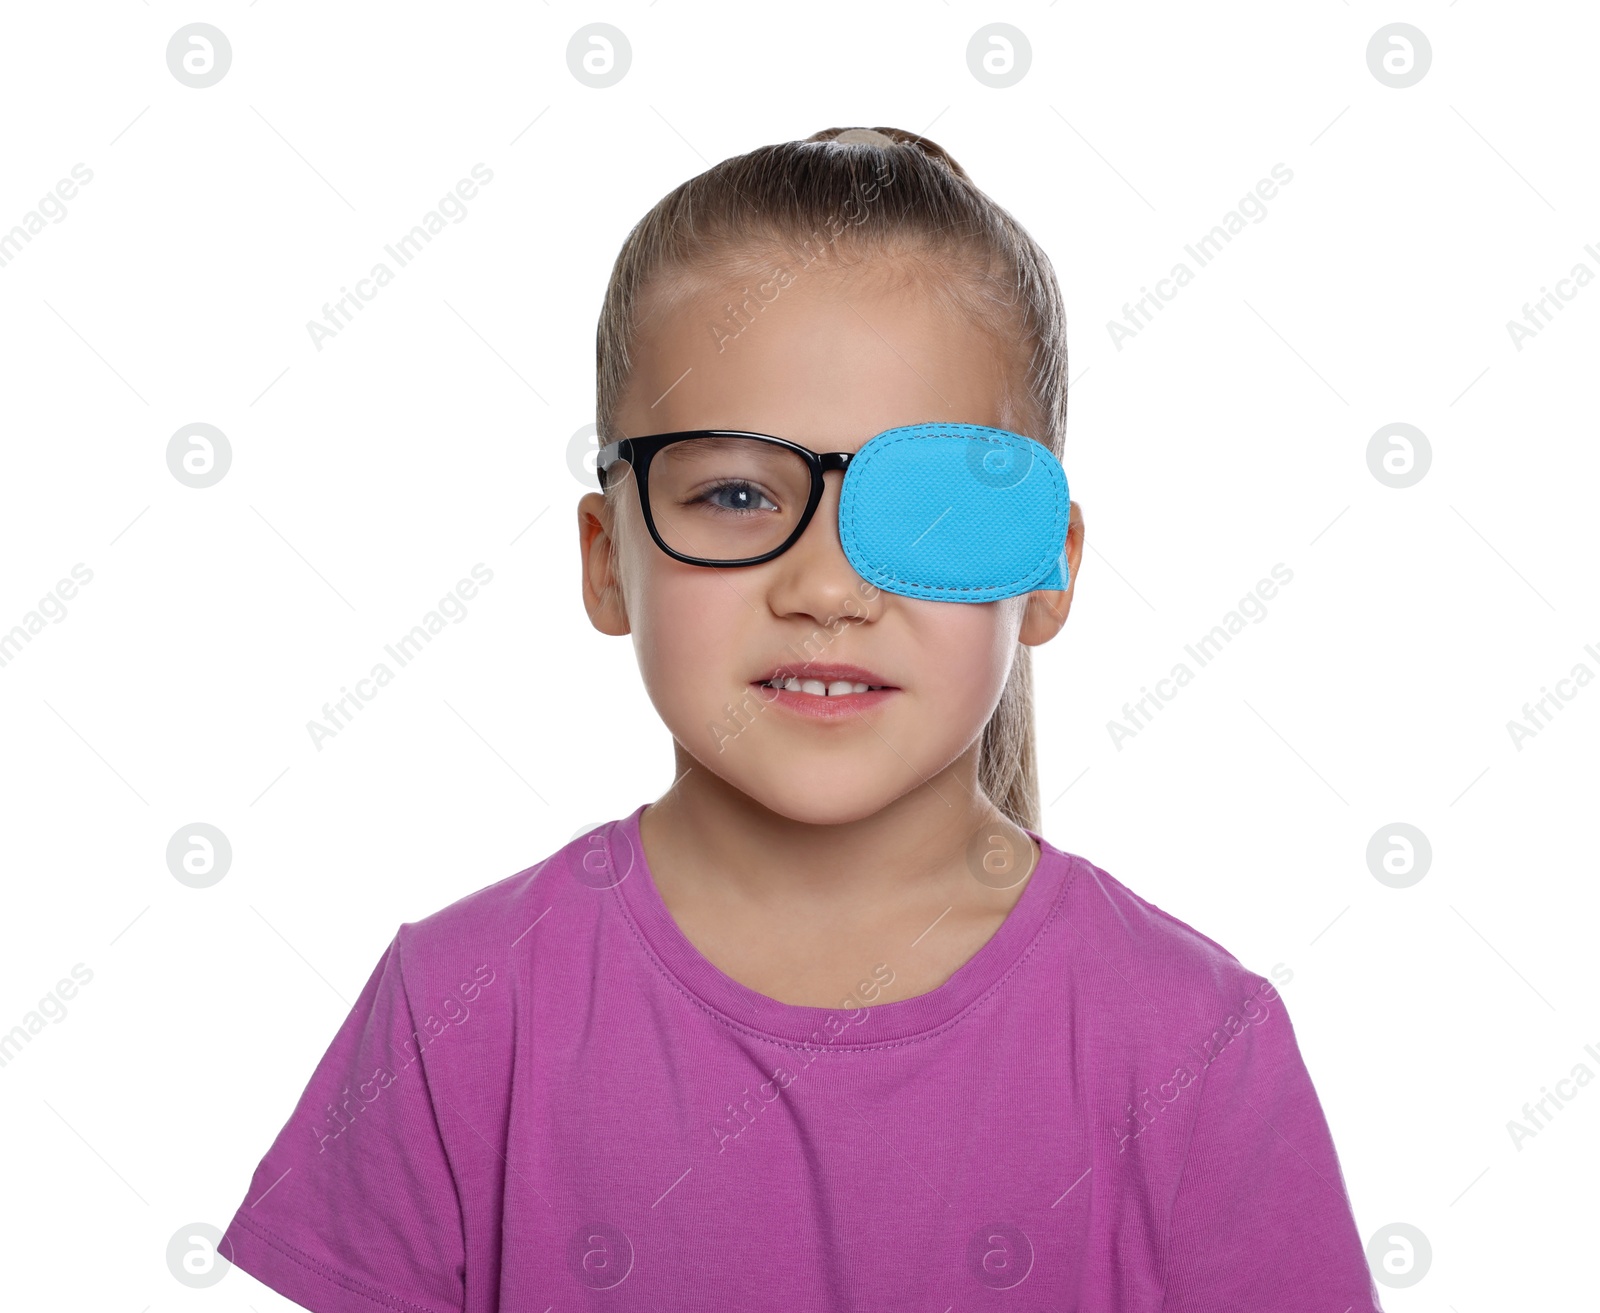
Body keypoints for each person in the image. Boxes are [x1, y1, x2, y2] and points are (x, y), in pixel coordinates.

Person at [218, 125, 1383, 1311]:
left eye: (925, 503)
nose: (826, 587)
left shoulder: (1194, 1043)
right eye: (733, 492)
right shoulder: (458, 1007)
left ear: (1045, 569)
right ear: (606, 559)